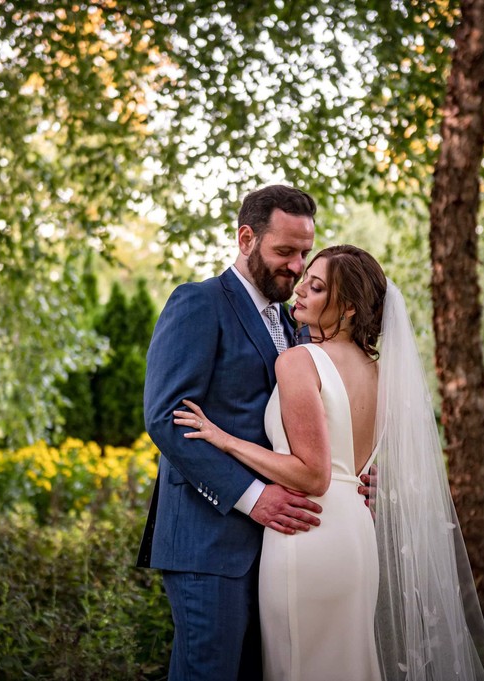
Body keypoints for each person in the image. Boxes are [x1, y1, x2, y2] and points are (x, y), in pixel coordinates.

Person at [174, 245, 484, 680]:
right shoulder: (381, 373)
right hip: (356, 537)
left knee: (299, 666)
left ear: (346, 309)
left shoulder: (298, 360)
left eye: (317, 286)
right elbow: (355, 466)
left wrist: (225, 439)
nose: (301, 290)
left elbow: (313, 474)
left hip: (307, 534)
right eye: (306, 278)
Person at [137, 185, 325, 681]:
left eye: (304, 253)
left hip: (280, 550)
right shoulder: (198, 303)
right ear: (246, 238)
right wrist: (252, 497)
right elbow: (166, 417)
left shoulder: (295, 324)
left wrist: (352, 478)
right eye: (284, 251)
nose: (298, 266)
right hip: (208, 543)